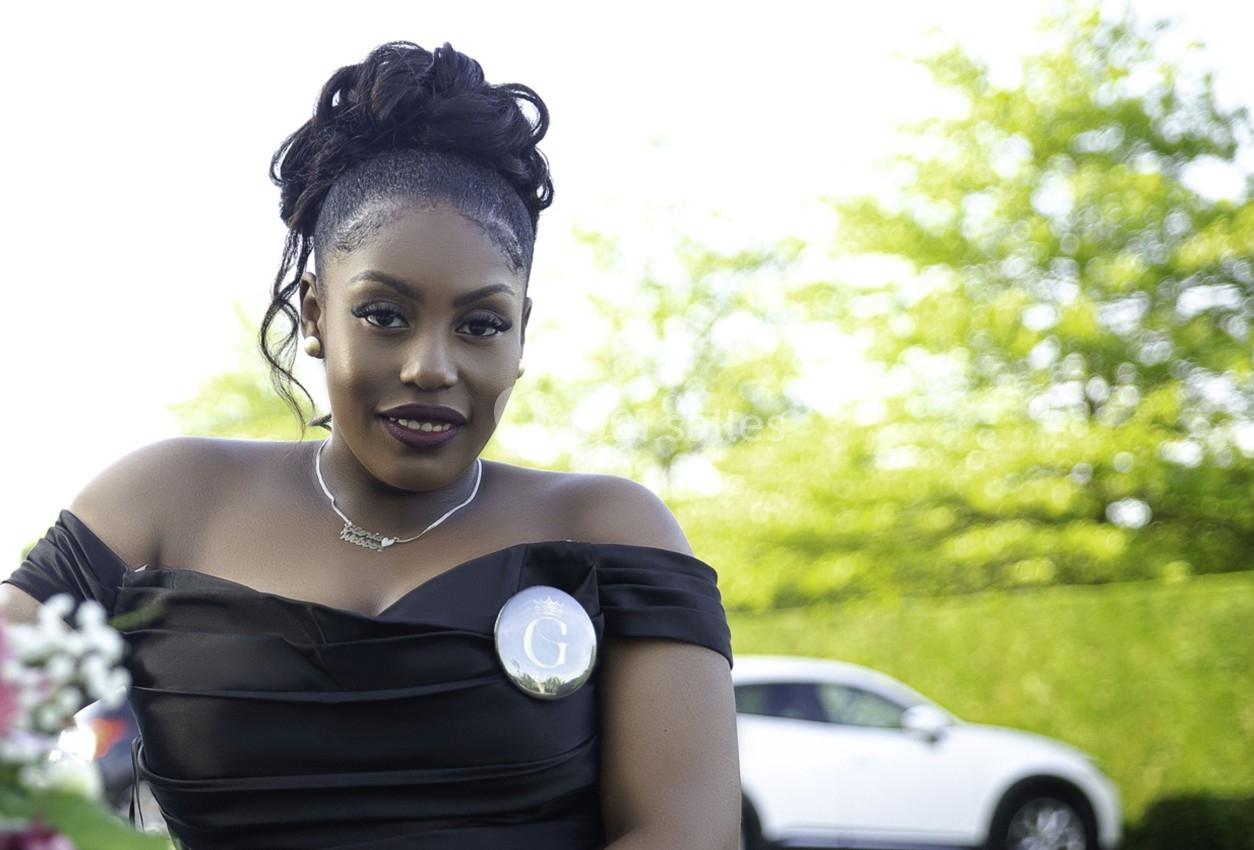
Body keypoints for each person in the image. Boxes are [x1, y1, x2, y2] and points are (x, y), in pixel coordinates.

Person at [0, 40, 740, 850]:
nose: (432, 367)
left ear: (522, 334)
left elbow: (687, 835)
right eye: (385, 315)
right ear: (316, 314)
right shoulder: (164, 506)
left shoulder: (610, 532)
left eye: (481, 324)